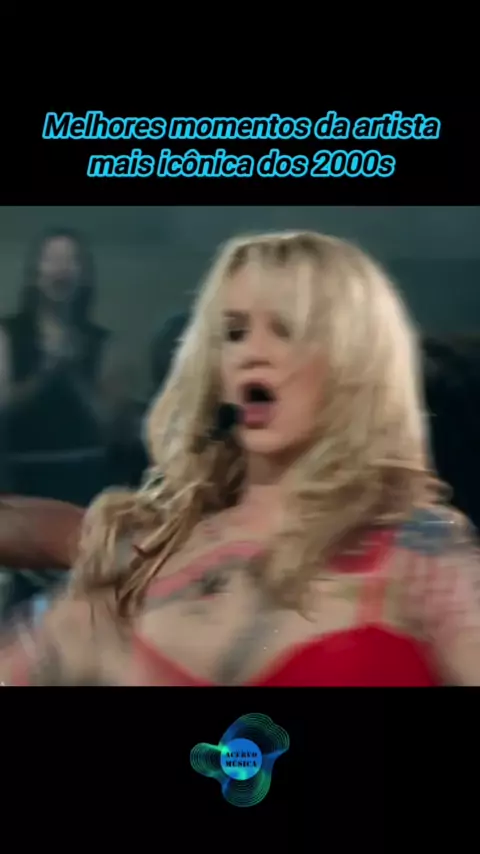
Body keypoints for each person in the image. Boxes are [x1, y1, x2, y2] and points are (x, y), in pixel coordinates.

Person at [1, 230, 480, 686]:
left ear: (353, 358)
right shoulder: (153, 552)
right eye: (234, 332)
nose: (252, 353)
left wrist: (128, 664)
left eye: (286, 329)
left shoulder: (418, 552)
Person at [0, 228, 125, 507]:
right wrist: (45, 373)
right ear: (35, 273)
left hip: (86, 473)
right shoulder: (8, 334)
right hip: (23, 474)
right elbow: (3, 406)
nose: (61, 269)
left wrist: (73, 374)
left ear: (84, 276)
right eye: (52, 259)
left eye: (71, 260)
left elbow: (111, 426)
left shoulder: (102, 342)